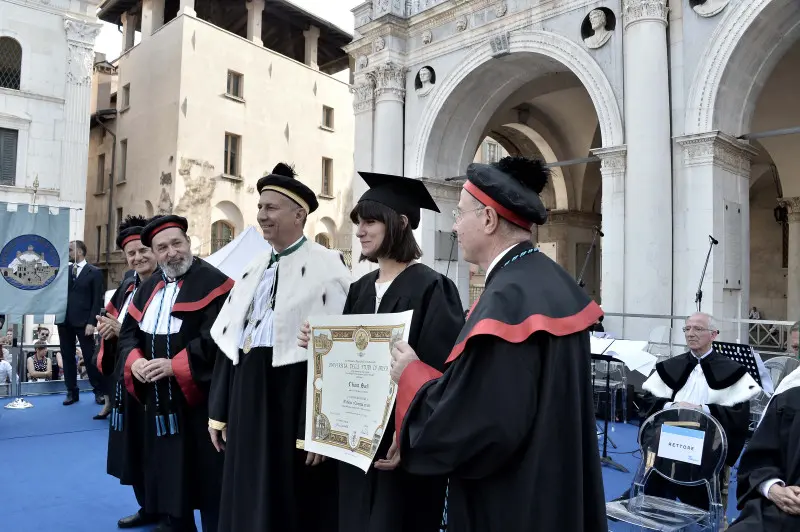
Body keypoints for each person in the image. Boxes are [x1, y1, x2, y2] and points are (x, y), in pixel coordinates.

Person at [389, 156, 607, 531]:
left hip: (512, 499)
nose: (454, 226)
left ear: (488, 219)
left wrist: (411, 375)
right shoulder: (546, 280)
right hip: (554, 485)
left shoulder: (507, 299)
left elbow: (480, 424)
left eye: (460, 215)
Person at [298, 172, 465, 532]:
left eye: (370, 221)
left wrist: (407, 437)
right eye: (358, 222)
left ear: (401, 224)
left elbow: (439, 376)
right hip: (354, 445)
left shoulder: (434, 289)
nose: (360, 231)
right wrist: (320, 343)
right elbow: (343, 366)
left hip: (400, 449)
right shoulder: (358, 289)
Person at [208, 163, 351, 532]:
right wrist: (219, 410)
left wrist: (321, 429)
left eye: (270, 208)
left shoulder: (329, 266)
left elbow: (336, 360)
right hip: (246, 399)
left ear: (298, 214)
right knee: (246, 493)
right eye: (259, 207)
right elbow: (229, 340)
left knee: (291, 501)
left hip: (293, 403)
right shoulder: (253, 266)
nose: (261, 215)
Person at [118, 214, 233, 532]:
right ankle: (175, 523)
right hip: (159, 402)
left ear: (189, 242)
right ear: (155, 253)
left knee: (209, 479)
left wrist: (177, 366)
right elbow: (128, 335)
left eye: (176, 243)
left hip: (199, 402)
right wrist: (136, 361)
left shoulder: (214, 282)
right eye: (162, 247)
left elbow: (218, 338)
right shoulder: (148, 287)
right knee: (168, 473)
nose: (171, 252)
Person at [638, 312, 761, 509]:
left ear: (714, 334)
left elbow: (738, 416)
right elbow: (649, 403)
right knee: (658, 458)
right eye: (687, 329)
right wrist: (672, 407)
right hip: (667, 438)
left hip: (707, 445)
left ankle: (701, 511)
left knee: (698, 484)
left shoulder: (732, 370)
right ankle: (652, 501)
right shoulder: (671, 366)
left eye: (698, 329)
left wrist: (702, 410)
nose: (691, 334)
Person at [95, 215, 161, 529]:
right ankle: (147, 506)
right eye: (131, 253)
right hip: (125, 379)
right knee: (132, 449)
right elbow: (116, 323)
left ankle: (170, 512)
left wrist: (121, 330)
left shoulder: (167, 283)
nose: (137, 257)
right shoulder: (127, 284)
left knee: (158, 453)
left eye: (142, 250)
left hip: (155, 380)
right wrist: (108, 329)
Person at [56, 240, 105, 407]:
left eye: (70, 250)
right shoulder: (63, 271)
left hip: (85, 323)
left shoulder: (95, 272)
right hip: (64, 321)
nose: (68, 253)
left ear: (80, 252)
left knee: (90, 357)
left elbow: (98, 299)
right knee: (67, 356)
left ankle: (99, 391)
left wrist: (92, 322)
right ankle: (71, 391)